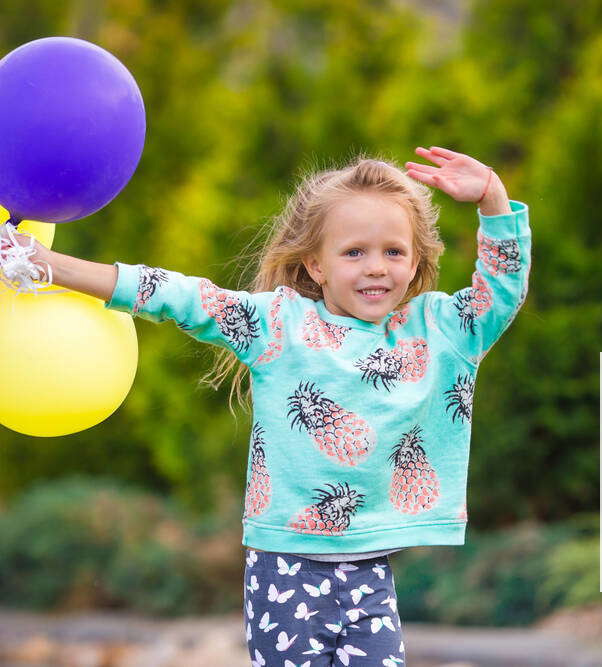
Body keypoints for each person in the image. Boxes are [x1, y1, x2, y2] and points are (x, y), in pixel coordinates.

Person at [0, 146, 530, 666]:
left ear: (415, 264)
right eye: (354, 253)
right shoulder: (279, 325)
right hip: (286, 566)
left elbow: (501, 290)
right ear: (315, 266)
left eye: (394, 252)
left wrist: (493, 199)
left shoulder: (440, 331)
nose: (376, 268)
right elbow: (174, 295)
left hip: (371, 571)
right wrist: (45, 263)